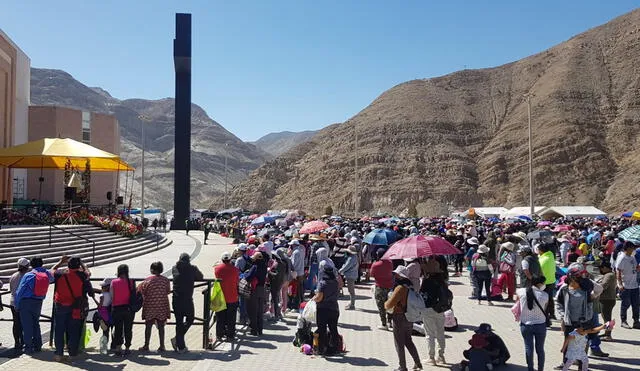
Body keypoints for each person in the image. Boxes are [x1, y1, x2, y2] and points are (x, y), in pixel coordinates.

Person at [52, 256, 95, 362]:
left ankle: (58, 354)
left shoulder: (59, 274)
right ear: (78, 265)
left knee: (59, 330)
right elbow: (88, 273)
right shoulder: (82, 275)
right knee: (74, 330)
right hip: (75, 306)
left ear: (68, 265)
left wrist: (60, 261)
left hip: (60, 305)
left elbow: (52, 270)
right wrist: (84, 265)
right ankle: (72, 354)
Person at [15, 256, 59, 354]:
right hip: (38, 302)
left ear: (31, 265)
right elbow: (52, 278)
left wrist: (17, 305)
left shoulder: (29, 275)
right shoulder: (46, 274)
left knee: (27, 326)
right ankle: (38, 345)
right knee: (36, 323)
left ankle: (28, 348)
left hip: (26, 302)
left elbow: (20, 291)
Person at [384, 266, 423, 371]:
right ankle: (418, 363)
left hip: (399, 317)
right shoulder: (410, 286)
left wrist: (385, 303)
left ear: (400, 276)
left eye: (396, 274)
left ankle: (402, 367)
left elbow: (389, 305)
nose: (395, 276)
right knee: (408, 341)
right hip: (409, 317)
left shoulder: (400, 288)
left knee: (399, 343)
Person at [171, 253, 204, 353]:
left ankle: (179, 344)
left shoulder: (174, 268)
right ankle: (179, 342)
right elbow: (201, 277)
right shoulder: (192, 268)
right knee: (190, 319)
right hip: (187, 299)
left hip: (176, 299)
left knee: (179, 322)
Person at [137, 262, 171, 352]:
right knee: (161, 326)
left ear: (153, 270)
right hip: (162, 305)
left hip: (150, 305)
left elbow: (141, 290)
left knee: (148, 326)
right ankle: (162, 346)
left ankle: (146, 345)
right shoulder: (166, 280)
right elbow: (168, 291)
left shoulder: (147, 280)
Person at [517, 275, 548, 371]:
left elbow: (516, 298)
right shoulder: (545, 295)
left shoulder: (521, 291)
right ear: (539, 284)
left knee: (528, 348)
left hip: (526, 325)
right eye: (543, 283)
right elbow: (545, 308)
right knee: (540, 349)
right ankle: (540, 369)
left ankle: (530, 368)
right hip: (540, 325)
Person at [313, 261, 341, 356]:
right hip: (334, 308)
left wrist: (313, 299)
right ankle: (335, 348)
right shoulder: (335, 282)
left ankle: (322, 349)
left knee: (322, 329)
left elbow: (319, 297)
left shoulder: (322, 283)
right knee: (333, 329)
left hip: (323, 309)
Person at [420, 272, 446, 366]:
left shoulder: (426, 281)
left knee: (430, 334)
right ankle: (441, 356)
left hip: (428, 309)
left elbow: (421, 293)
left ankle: (431, 357)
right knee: (440, 333)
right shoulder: (442, 282)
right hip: (440, 309)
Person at [214, 251, 240, 341]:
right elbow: (237, 281)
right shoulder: (235, 270)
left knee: (220, 318)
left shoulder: (217, 268)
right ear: (230, 259)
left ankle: (219, 335)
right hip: (232, 297)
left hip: (220, 296)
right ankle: (230, 335)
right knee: (231, 318)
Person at [110, 264, 135, 356]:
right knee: (128, 329)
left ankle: (118, 348)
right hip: (128, 308)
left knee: (118, 329)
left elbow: (112, 296)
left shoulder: (114, 282)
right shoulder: (131, 282)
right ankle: (127, 347)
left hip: (117, 308)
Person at [615, 241, 639, 329]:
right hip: (626, 285)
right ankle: (623, 321)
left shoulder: (632, 257)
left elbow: (635, 268)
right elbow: (618, 271)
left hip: (634, 285)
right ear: (628, 248)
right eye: (633, 248)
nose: (634, 250)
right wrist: (620, 284)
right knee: (625, 304)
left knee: (636, 304)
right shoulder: (622, 258)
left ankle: (636, 321)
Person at [9, 258, 30, 355]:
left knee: (16, 323)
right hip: (22, 302)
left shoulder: (13, 275)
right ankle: (24, 341)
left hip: (12, 302)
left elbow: (11, 289)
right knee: (24, 323)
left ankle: (17, 342)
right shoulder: (26, 276)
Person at [370, 248, 393, 331]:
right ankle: (390, 321)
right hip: (389, 287)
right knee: (389, 304)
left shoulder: (375, 264)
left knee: (381, 306)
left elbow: (371, 275)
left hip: (380, 287)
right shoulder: (390, 263)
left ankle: (384, 323)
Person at [245, 251, 268, 336]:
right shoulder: (264, 266)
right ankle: (260, 329)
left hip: (254, 289)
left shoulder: (255, 266)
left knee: (253, 310)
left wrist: (247, 272)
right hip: (262, 289)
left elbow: (248, 278)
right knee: (260, 310)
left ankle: (254, 330)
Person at [537, 243, 557, 325]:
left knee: (544, 301)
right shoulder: (551, 256)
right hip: (552, 281)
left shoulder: (542, 260)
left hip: (544, 282)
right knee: (550, 298)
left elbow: (538, 271)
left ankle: (546, 319)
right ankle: (552, 314)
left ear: (541, 251)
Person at [597, 261, 616, 340]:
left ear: (605, 267)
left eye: (601, 268)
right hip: (609, 299)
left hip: (607, 299)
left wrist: (595, 286)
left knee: (607, 318)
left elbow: (604, 285)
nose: (600, 270)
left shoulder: (609, 275)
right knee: (606, 317)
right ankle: (607, 333)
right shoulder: (610, 274)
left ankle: (608, 335)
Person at [339, 245, 359, 310]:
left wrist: (340, 271)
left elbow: (347, 266)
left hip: (350, 275)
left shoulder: (351, 258)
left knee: (351, 291)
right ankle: (351, 303)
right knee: (351, 290)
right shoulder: (355, 257)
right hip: (353, 275)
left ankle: (352, 305)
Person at [290, 239, 305, 307]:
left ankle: (296, 305)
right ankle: (301, 302)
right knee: (300, 289)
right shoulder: (301, 250)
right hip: (301, 272)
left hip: (296, 273)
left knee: (295, 289)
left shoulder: (295, 252)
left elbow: (293, 264)